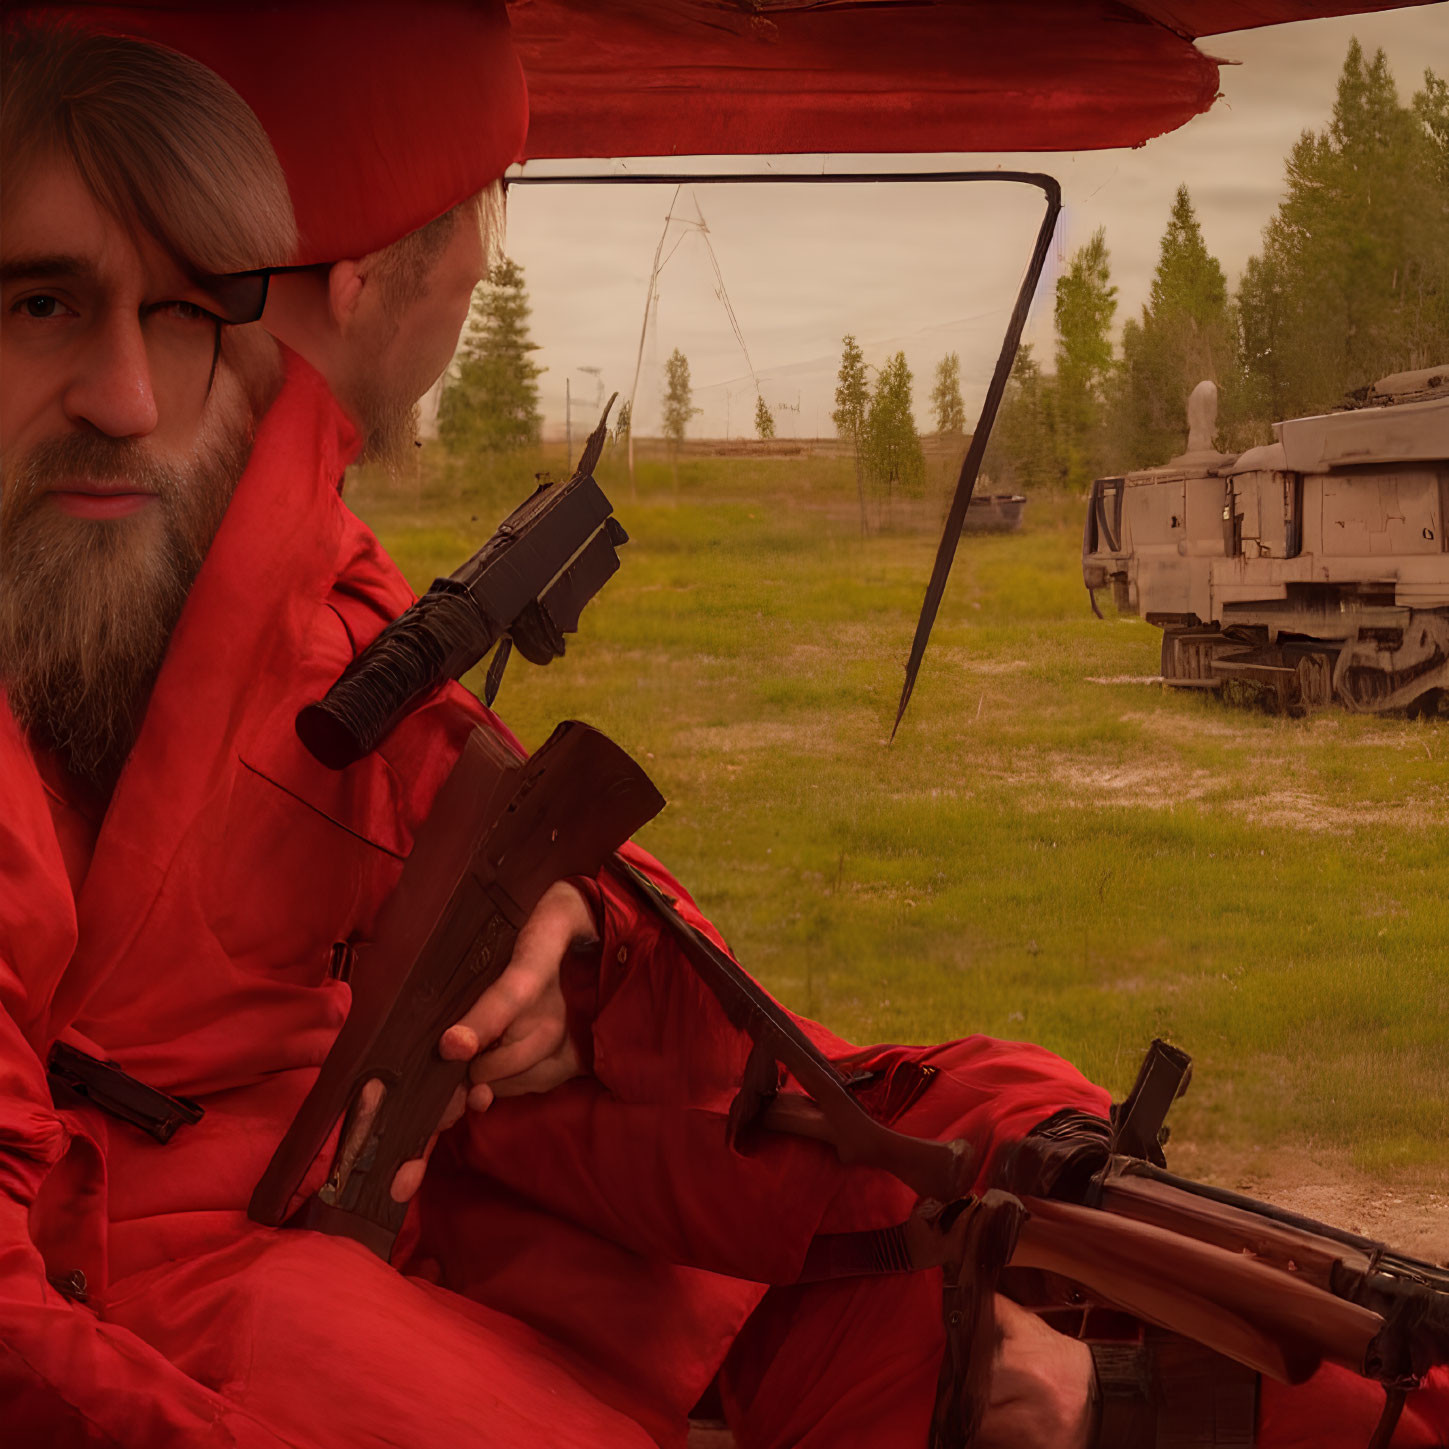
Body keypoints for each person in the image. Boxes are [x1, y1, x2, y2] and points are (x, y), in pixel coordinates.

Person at [2, 13, 1446, 1449]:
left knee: (1032, 1233)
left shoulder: (281, 567)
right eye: (44, 304)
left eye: (177, 313)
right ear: (378, 270)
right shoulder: (146, 566)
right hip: (201, 1281)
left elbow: (609, 1009)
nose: (127, 390)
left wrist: (567, 943)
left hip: (448, 1203)